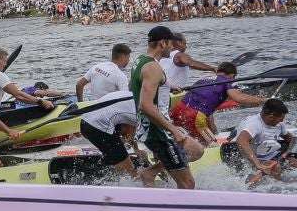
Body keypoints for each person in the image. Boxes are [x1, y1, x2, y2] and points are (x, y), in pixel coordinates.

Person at [130, 26, 203, 188]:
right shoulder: (153, 67)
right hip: (158, 133)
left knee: (197, 150)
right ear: (162, 43)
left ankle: (150, 172)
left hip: (154, 128)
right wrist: (174, 130)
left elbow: (136, 86)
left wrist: (166, 85)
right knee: (188, 184)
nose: (173, 47)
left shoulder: (140, 61)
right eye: (171, 44)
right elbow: (145, 105)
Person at [73, 43, 136, 176]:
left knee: (114, 140)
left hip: (90, 114)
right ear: (123, 57)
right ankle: (125, 156)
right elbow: (125, 102)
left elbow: (79, 84)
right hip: (108, 118)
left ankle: (111, 156)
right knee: (127, 131)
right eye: (129, 58)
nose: (128, 61)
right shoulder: (120, 76)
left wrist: (81, 105)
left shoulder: (97, 67)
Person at [171, 60, 266, 141]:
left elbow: (207, 113)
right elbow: (239, 98)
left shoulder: (203, 80)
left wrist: (215, 132)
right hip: (195, 116)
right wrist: (263, 100)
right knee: (211, 145)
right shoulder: (228, 81)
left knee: (183, 137)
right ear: (232, 75)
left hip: (177, 110)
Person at [228, 98, 297, 180]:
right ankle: (278, 190)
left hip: (271, 155)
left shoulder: (279, 124)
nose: (281, 122)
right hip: (250, 159)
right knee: (276, 167)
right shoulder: (254, 124)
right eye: (280, 120)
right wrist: (257, 164)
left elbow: (289, 137)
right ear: (271, 117)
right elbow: (241, 141)